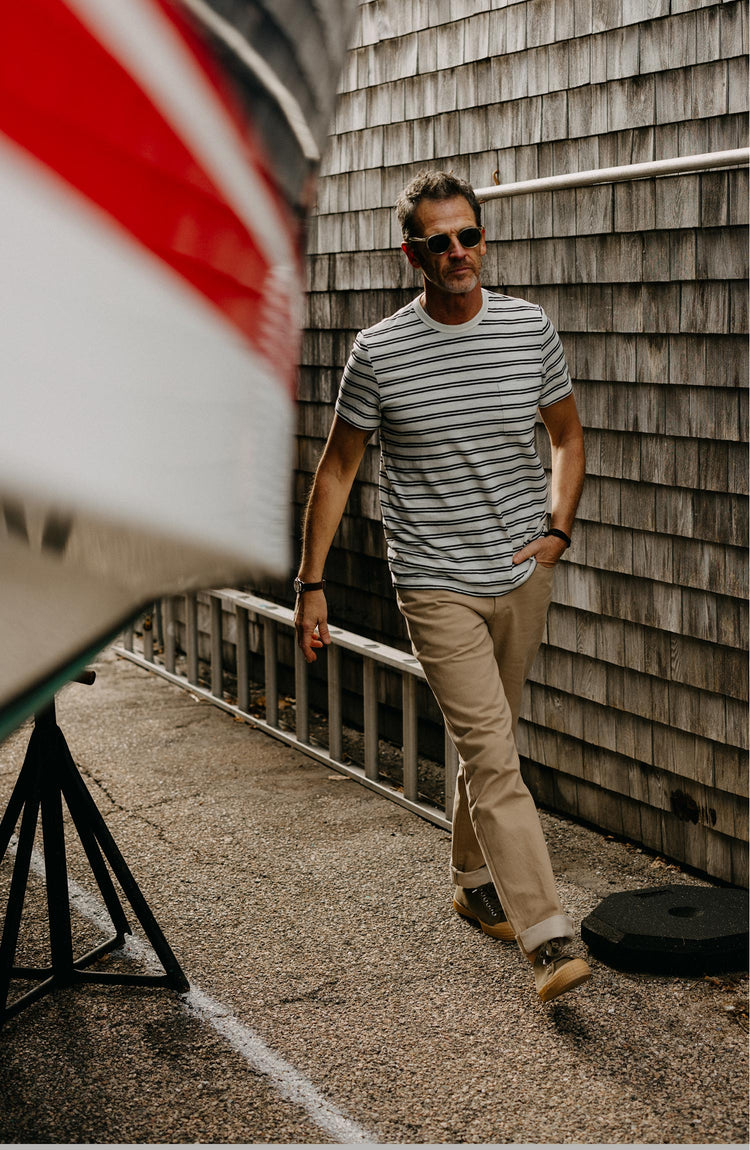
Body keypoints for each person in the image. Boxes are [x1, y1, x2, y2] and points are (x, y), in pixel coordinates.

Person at [294, 169, 591, 1004]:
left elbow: (565, 436)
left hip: (521, 571)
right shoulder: (380, 352)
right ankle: (547, 936)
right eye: (439, 242)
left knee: (490, 735)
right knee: (498, 758)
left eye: (470, 235)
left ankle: (471, 877)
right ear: (412, 254)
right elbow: (339, 466)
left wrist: (556, 532)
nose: (459, 253)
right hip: (434, 582)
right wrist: (310, 584)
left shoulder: (529, 330)